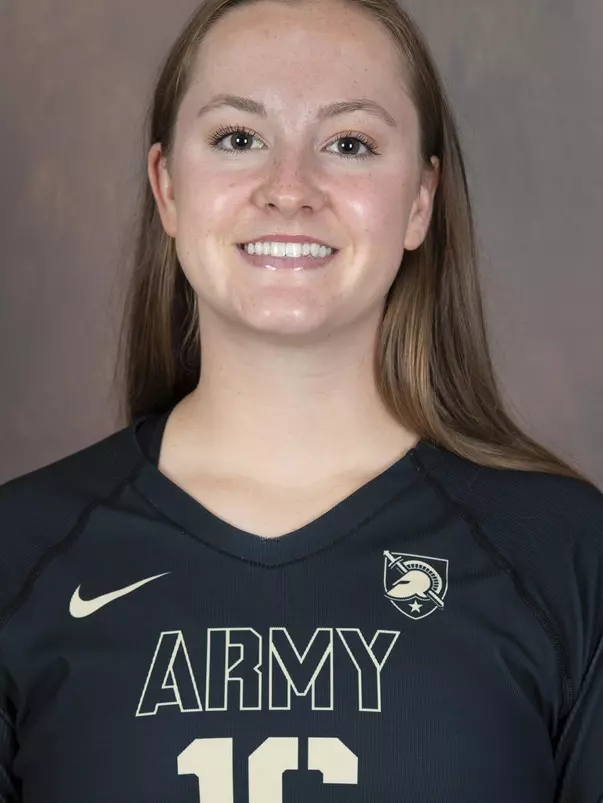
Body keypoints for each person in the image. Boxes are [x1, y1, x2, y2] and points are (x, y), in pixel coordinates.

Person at [1, 0, 602, 799]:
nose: (289, 189)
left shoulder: (563, 553)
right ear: (168, 188)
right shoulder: (20, 552)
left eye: (348, 143)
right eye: (238, 139)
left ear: (419, 200)